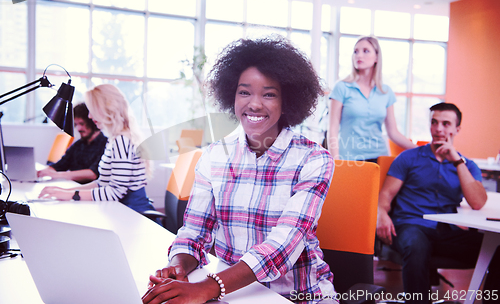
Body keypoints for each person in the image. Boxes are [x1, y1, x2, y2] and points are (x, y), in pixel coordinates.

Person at [142, 37, 337, 304]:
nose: (254, 104)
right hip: (235, 294)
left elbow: (282, 246)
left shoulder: (313, 160)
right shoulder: (213, 156)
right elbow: (194, 232)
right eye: (244, 92)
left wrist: (208, 288)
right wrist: (178, 266)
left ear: (287, 101)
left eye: (269, 94)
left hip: (298, 297)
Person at [376, 102, 500, 304]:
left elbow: (477, 203)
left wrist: (457, 161)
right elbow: (386, 195)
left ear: (457, 129)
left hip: (446, 232)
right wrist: (381, 215)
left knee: (496, 249)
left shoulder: (467, 165)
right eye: (434, 122)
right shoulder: (408, 157)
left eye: (445, 123)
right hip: (410, 226)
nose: (439, 129)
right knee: (417, 246)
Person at [38, 84, 156, 214]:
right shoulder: (114, 139)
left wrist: (71, 196)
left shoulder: (122, 141)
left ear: (106, 109)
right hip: (119, 209)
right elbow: (102, 183)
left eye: (92, 110)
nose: (89, 116)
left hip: (132, 213)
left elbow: (115, 192)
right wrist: (64, 191)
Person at [328, 36, 415, 162]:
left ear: (376, 57)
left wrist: (420, 150)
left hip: (380, 157)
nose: (359, 55)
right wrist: (335, 160)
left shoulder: (386, 92)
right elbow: (333, 130)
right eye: (356, 51)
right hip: (349, 159)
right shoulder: (341, 87)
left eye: (366, 51)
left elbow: (393, 133)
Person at [37, 103, 107, 184]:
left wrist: (58, 175)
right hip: (71, 185)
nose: (78, 128)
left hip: (86, 190)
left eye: (82, 123)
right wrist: (42, 172)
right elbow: (60, 165)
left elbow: (93, 173)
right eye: (76, 124)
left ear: (92, 122)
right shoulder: (78, 144)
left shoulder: (105, 144)